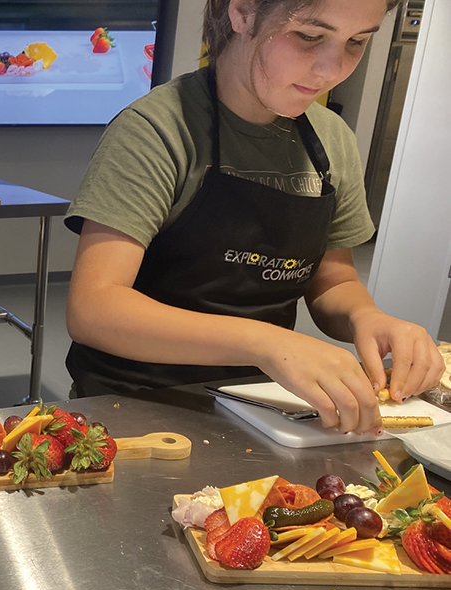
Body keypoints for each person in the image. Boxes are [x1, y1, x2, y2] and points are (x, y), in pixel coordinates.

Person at [64, 0, 444, 436]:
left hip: (265, 405)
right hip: (137, 405)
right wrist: (266, 342)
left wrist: (368, 319)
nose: (331, 70)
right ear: (242, 12)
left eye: (357, 42)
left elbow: (334, 282)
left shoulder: (331, 139)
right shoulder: (157, 130)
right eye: (309, 36)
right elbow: (94, 309)